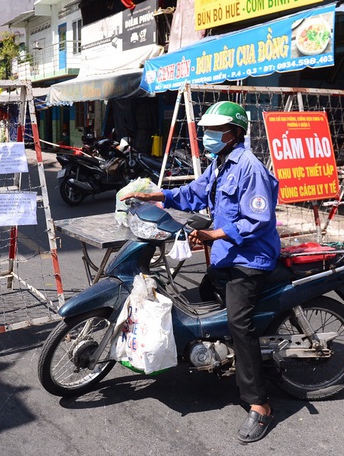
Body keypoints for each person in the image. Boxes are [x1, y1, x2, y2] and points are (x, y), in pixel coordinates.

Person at [120, 101, 280, 443]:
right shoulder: (221, 163)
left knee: (239, 321)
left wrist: (213, 234)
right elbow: (195, 193)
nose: (207, 136)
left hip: (250, 259)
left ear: (234, 133)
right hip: (226, 256)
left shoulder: (249, 166)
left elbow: (258, 219)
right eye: (205, 130)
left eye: (213, 131)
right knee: (206, 297)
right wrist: (158, 195)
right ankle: (222, 360)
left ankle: (260, 405)